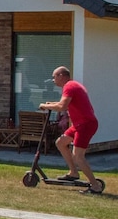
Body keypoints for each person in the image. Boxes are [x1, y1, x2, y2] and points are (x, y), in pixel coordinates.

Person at [40, 66, 102, 194]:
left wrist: (45, 106)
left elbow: (63, 106)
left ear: (61, 76)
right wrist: (51, 104)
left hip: (85, 124)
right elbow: (65, 103)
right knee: (60, 142)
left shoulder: (69, 86)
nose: (53, 80)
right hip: (79, 124)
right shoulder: (73, 85)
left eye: (54, 77)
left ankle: (95, 186)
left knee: (78, 156)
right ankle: (73, 172)